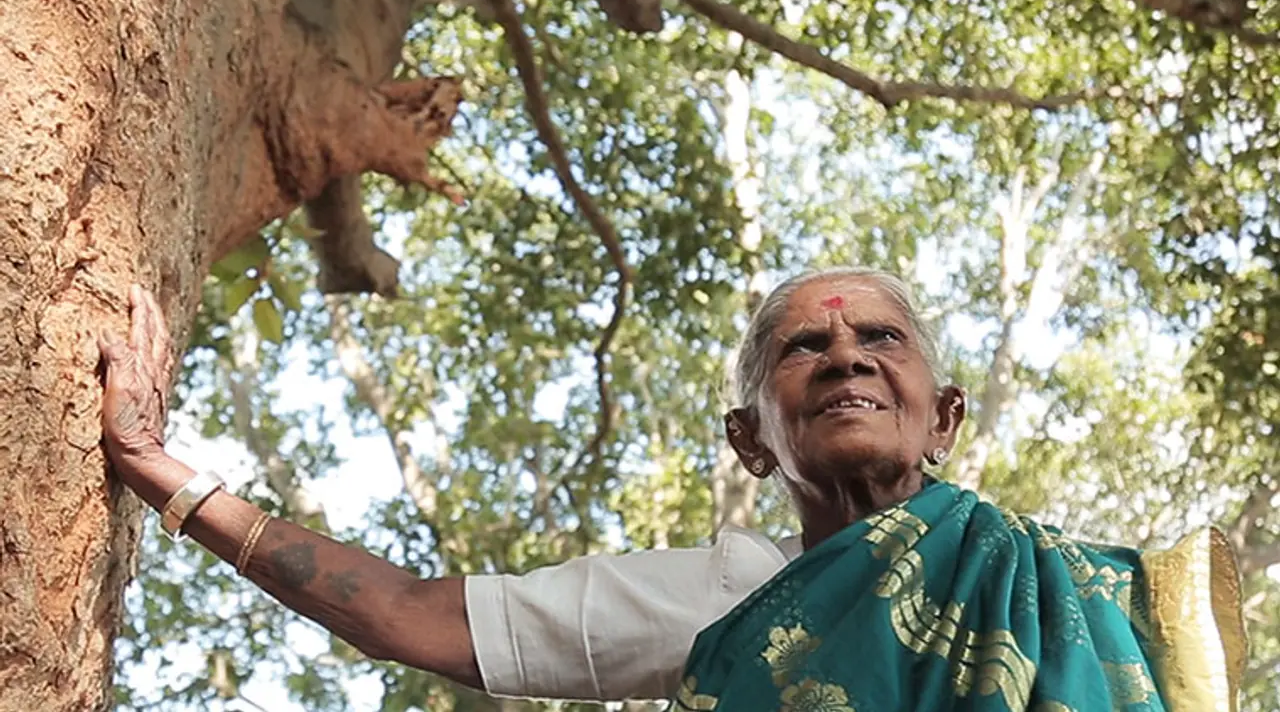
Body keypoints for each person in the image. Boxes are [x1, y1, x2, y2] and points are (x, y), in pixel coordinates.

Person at [100, 267, 1247, 711]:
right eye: (802, 351)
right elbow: (409, 617)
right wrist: (169, 478)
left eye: (881, 340)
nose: (845, 356)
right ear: (751, 441)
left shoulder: (1080, 597)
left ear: (943, 415)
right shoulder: (725, 596)